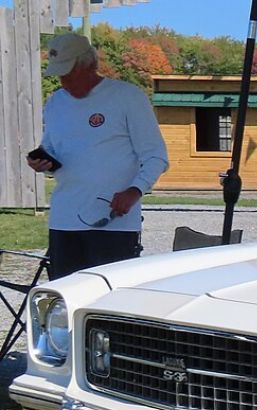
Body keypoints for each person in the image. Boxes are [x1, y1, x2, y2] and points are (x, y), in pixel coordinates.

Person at [25, 33, 169, 280]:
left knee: (109, 295)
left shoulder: (127, 96)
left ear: (89, 64)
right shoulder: (55, 102)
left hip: (113, 223)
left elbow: (156, 156)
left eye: (69, 74)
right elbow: (51, 150)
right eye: (60, 75)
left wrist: (135, 190)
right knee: (65, 294)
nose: (64, 82)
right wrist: (42, 162)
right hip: (64, 220)